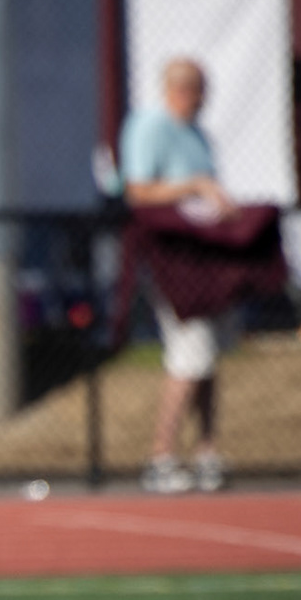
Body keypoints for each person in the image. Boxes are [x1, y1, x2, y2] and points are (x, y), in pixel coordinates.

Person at [121, 57, 238, 493]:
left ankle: (206, 451)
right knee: (189, 354)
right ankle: (162, 456)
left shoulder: (198, 135)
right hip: (171, 260)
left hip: (204, 257)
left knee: (208, 358)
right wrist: (194, 186)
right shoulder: (150, 126)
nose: (203, 100)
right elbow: (138, 190)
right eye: (199, 90)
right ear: (182, 89)